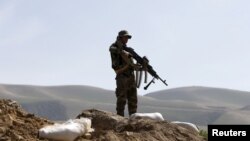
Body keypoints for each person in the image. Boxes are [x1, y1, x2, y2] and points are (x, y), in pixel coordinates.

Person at [109, 30, 138, 117]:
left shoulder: (128, 50)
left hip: (130, 76)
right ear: (120, 37)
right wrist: (124, 53)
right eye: (125, 37)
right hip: (122, 76)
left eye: (128, 38)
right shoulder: (114, 47)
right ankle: (120, 120)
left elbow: (132, 63)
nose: (127, 39)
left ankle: (133, 121)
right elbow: (112, 49)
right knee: (121, 100)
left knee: (133, 100)